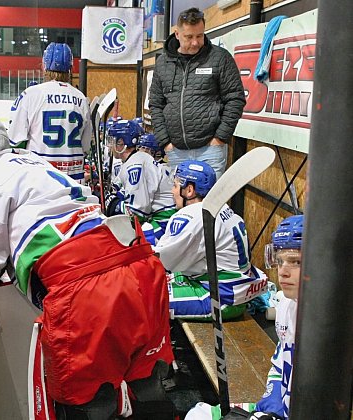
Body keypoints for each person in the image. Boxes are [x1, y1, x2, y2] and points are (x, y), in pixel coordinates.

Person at [0, 114, 175, 419]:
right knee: (149, 389)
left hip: (84, 289)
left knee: (89, 405)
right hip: (140, 265)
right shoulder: (35, 163)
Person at [184, 215, 304, 420]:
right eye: (280, 260)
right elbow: (280, 362)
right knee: (198, 415)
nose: (283, 272)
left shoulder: (338, 325)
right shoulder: (285, 303)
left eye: (295, 262)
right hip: (279, 411)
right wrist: (270, 407)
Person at [154, 160, 268, 320]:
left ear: (189, 190)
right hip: (234, 291)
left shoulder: (192, 215)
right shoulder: (223, 208)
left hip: (219, 296)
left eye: (175, 185)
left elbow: (164, 262)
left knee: (147, 300)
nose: (172, 191)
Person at [149, 7, 246, 181]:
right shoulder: (163, 63)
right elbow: (156, 104)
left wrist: (220, 138)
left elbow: (235, 98)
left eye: (199, 36)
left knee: (209, 204)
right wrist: (165, 142)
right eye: (189, 37)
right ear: (177, 34)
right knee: (180, 204)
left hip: (211, 150)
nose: (195, 42)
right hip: (176, 152)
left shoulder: (219, 58)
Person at [8, 42, 92, 183]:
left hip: (40, 179)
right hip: (73, 180)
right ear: (70, 69)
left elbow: (15, 140)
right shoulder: (81, 98)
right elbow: (85, 147)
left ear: (44, 66)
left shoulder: (30, 94)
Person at [104, 119, 176, 245]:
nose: (110, 145)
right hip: (158, 217)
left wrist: (115, 204)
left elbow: (137, 213)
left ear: (121, 142)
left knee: (125, 242)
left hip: (164, 222)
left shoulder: (135, 165)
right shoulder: (134, 160)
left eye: (113, 140)